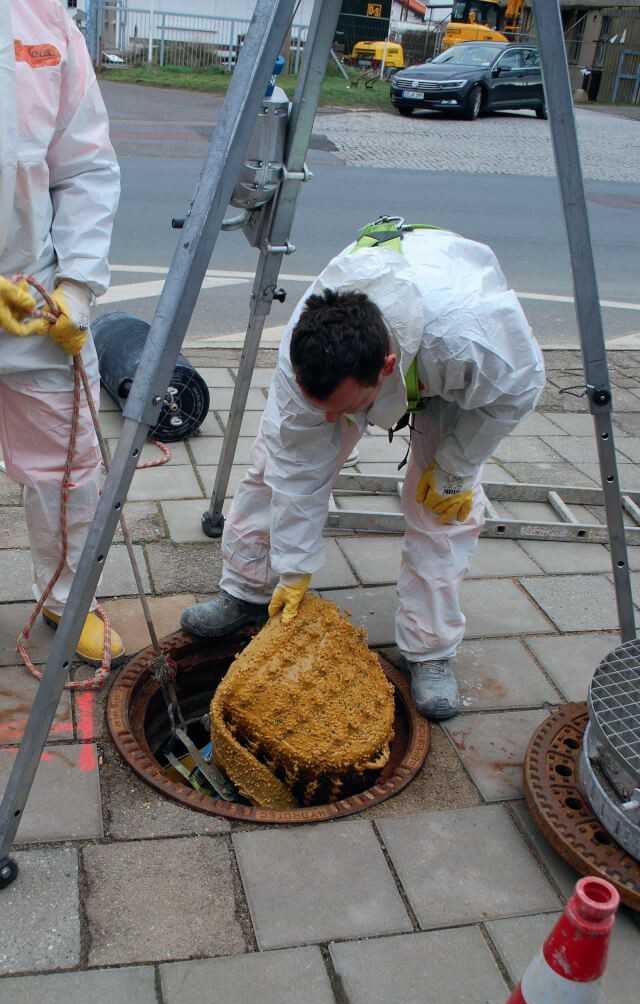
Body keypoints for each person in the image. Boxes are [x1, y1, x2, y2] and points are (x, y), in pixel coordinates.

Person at [181, 219, 545, 719]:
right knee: (272, 470)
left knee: (438, 512)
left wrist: (457, 470)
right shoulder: (304, 355)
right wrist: (294, 568)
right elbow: (297, 469)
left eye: (345, 411)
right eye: (324, 408)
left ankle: (430, 647)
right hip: (383, 345)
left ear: (387, 366)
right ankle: (247, 586)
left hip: (449, 356)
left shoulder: (473, 341)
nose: (335, 424)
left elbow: (519, 390)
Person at [0, 0, 123, 663]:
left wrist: (76, 284)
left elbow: (82, 166)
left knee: (69, 464)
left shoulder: (44, 23)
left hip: (34, 291)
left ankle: (66, 598)